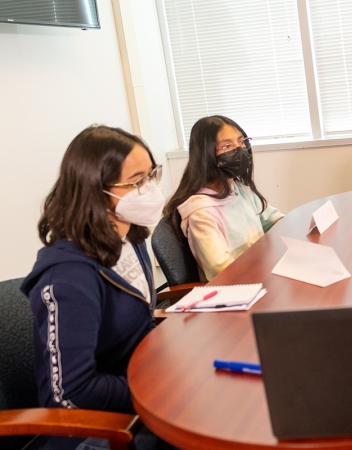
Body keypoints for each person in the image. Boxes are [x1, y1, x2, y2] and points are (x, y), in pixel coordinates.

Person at [21, 126, 165, 450]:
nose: (151, 189)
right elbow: (72, 391)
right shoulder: (67, 279)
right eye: (137, 182)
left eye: (152, 176)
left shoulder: (131, 239)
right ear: (96, 191)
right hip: (96, 431)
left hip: (141, 398)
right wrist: (156, 391)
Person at [164, 115, 283, 281]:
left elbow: (276, 221)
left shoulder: (240, 190)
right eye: (227, 146)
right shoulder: (201, 213)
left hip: (261, 276)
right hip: (237, 290)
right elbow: (222, 271)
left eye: (242, 142)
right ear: (206, 155)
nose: (240, 150)